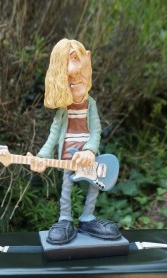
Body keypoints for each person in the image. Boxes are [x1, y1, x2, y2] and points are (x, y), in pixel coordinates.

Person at [28, 38, 121, 245]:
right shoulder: (64, 108)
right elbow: (54, 134)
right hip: (68, 155)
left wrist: (89, 150)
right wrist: (42, 156)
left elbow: (96, 130)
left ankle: (87, 217)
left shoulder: (91, 104)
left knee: (94, 186)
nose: (74, 74)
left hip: (88, 156)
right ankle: (65, 219)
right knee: (67, 186)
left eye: (76, 61)